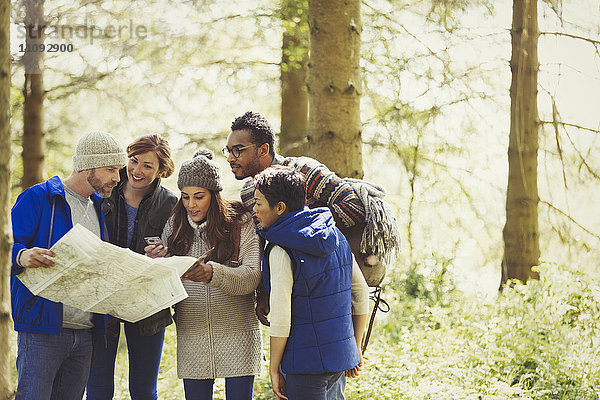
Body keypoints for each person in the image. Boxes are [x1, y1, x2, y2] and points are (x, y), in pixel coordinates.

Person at [224, 111, 375, 398]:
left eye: (238, 150)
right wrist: (263, 292)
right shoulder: (247, 193)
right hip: (328, 341)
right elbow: (260, 247)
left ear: (263, 149)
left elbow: (353, 207)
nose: (231, 157)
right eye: (228, 150)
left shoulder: (306, 171)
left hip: (318, 317)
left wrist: (311, 236)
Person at [11, 130, 127, 400]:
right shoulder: (39, 197)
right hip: (42, 330)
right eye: (111, 169)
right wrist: (21, 256)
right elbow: (6, 246)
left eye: (119, 170)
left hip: (85, 333)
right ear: (87, 165)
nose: (117, 178)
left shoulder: (100, 207)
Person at [146, 149, 262, 400]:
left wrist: (213, 274)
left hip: (238, 334)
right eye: (185, 197)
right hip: (193, 335)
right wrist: (156, 263)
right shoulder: (174, 225)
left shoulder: (241, 221)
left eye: (199, 197)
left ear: (214, 194)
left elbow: (252, 276)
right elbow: (163, 287)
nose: (191, 205)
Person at [253, 166, 365, 400]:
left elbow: (282, 316)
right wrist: (354, 346)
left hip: (303, 366)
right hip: (338, 360)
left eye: (259, 203)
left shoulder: (281, 248)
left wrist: (274, 368)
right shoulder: (335, 235)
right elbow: (361, 291)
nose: (254, 210)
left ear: (280, 208)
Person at [86, 134, 178, 400]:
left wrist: (165, 254)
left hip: (147, 301)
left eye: (147, 166)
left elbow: (180, 250)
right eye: (133, 161)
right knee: (99, 387)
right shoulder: (103, 193)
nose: (137, 170)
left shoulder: (171, 204)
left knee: (143, 390)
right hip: (103, 297)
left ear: (161, 170)